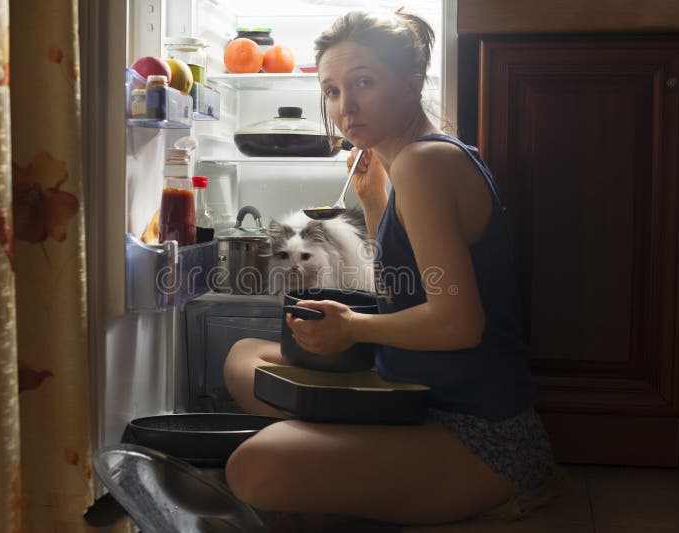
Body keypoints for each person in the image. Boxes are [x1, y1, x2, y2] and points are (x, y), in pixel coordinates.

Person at [222, 9, 556, 525]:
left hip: (472, 427)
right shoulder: (403, 167)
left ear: (411, 83)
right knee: (243, 358)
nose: (345, 106)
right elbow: (406, 291)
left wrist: (353, 327)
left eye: (364, 83)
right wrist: (374, 199)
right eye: (332, 91)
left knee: (253, 470)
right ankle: (344, 450)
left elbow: (458, 323)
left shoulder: (426, 163)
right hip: (405, 393)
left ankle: (351, 455)